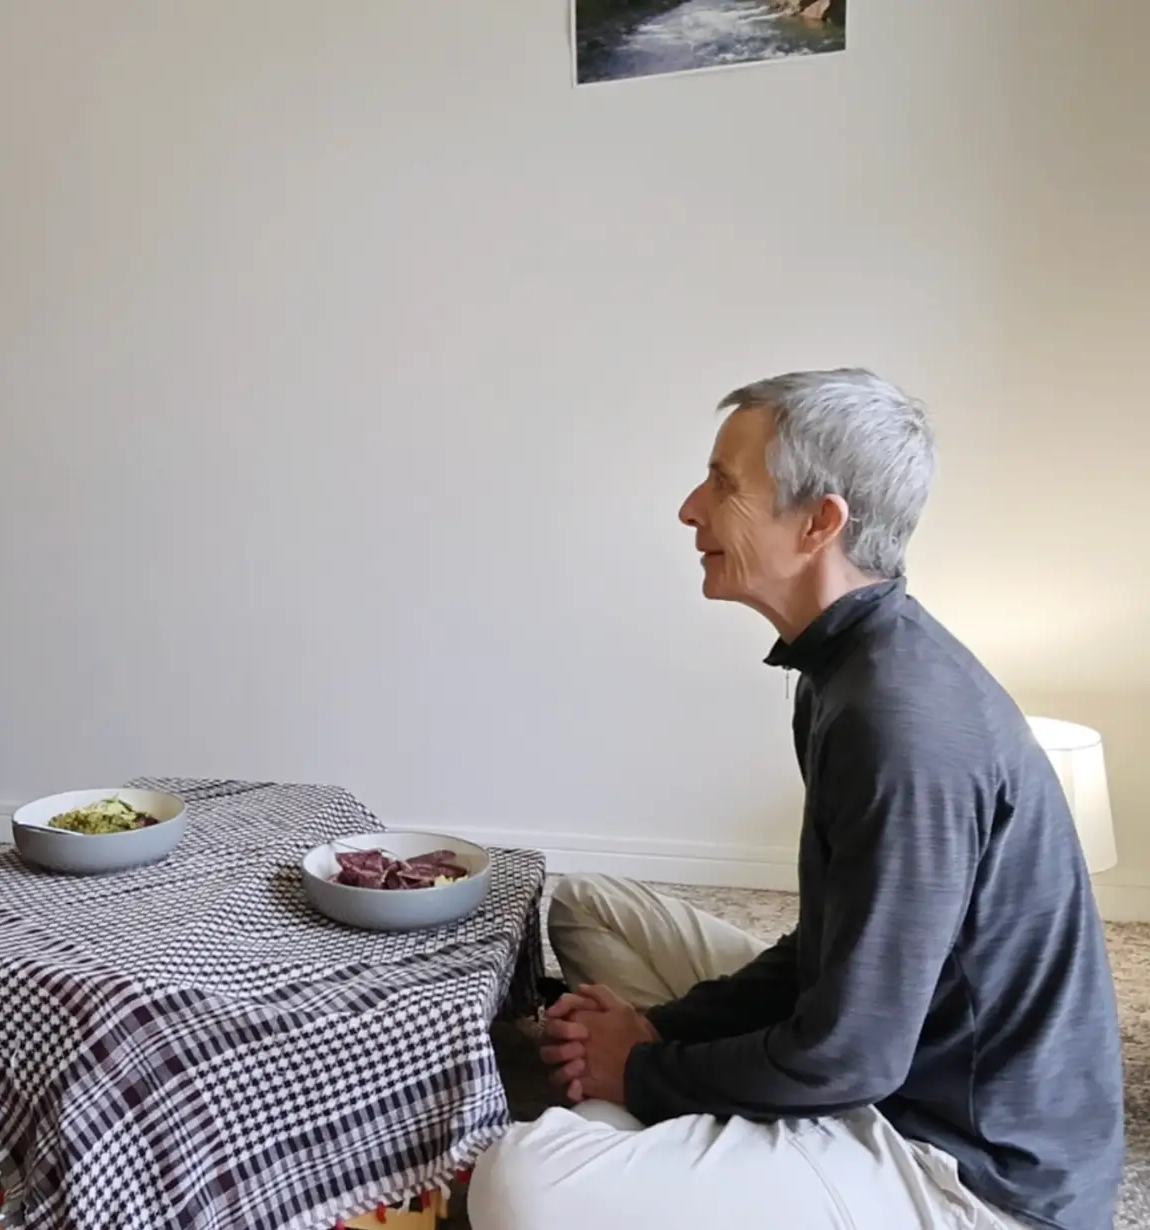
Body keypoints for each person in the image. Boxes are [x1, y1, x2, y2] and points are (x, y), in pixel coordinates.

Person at [470, 370, 1124, 1230]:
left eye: (725, 484)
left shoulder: (901, 722)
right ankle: (662, 1130)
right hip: (876, 1044)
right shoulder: (840, 668)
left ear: (820, 522)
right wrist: (661, 1030)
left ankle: (642, 1135)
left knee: (519, 1184)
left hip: (969, 1170)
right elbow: (828, 948)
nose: (690, 509)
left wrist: (639, 1073)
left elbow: (851, 1057)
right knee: (592, 908)